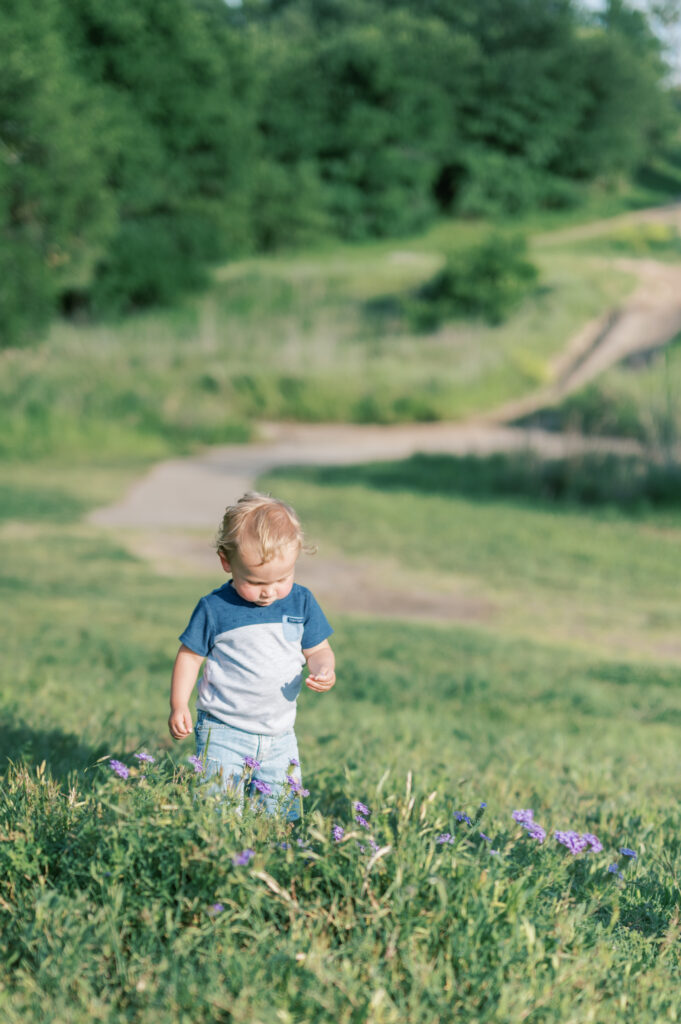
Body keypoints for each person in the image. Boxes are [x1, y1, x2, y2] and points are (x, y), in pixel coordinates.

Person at [168, 491, 336, 820]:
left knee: (281, 815)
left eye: (282, 579)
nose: (269, 591)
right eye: (256, 581)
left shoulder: (301, 603)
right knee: (217, 812)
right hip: (223, 730)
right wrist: (178, 704)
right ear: (226, 562)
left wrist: (323, 669)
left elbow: (317, 649)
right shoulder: (215, 608)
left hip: (280, 735)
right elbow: (189, 657)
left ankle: (272, 860)